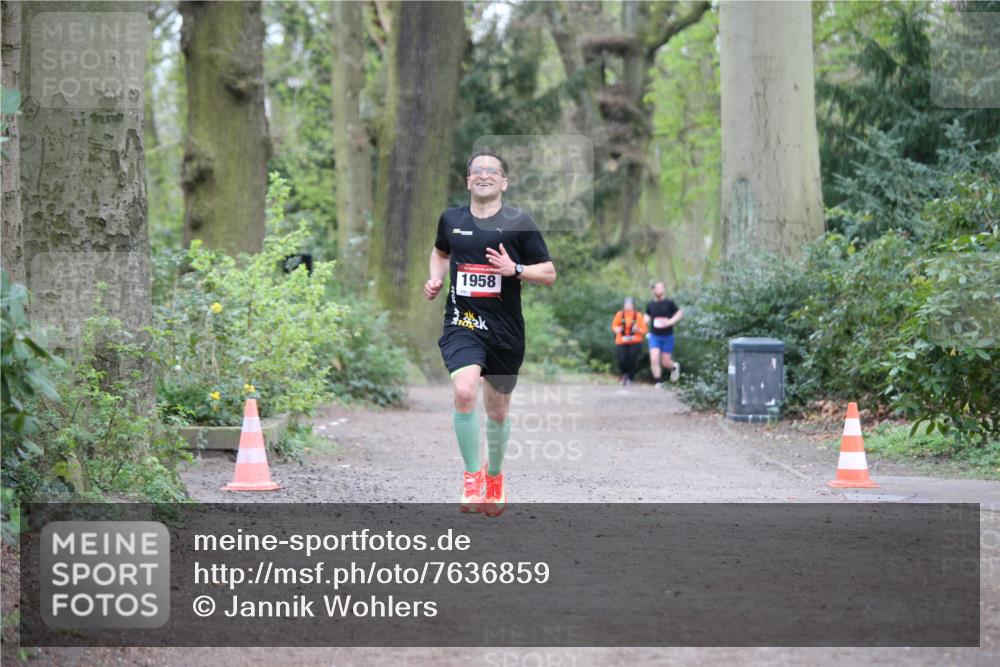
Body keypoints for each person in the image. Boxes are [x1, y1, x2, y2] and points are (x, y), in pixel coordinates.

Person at [423, 151, 556, 516]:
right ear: (468, 181)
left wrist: (514, 269)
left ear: (503, 182)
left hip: (505, 331)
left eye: (491, 171)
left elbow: (548, 273)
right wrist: (436, 277)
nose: (483, 175)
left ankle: (494, 477)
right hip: (462, 324)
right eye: (477, 171)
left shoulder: (519, 223)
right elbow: (439, 253)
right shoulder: (451, 219)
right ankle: (471, 478)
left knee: (497, 412)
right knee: (464, 391)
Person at [644, 281, 683, 387]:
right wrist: (644, 321)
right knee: (654, 357)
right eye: (658, 288)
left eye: (662, 288)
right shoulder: (650, 304)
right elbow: (647, 316)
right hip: (654, 335)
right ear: (653, 290)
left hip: (667, 336)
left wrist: (671, 321)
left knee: (665, 362)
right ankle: (658, 381)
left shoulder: (669, 303)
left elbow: (679, 313)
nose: (661, 290)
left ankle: (673, 367)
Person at [612, 297, 647, 386]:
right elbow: (614, 326)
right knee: (622, 359)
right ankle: (624, 375)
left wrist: (637, 329)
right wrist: (617, 329)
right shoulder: (620, 315)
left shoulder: (638, 315)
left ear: (633, 305)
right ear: (624, 305)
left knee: (632, 359)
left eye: (630, 304)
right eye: (626, 304)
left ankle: (630, 378)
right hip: (621, 341)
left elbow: (644, 330)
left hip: (635, 341)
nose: (628, 306)